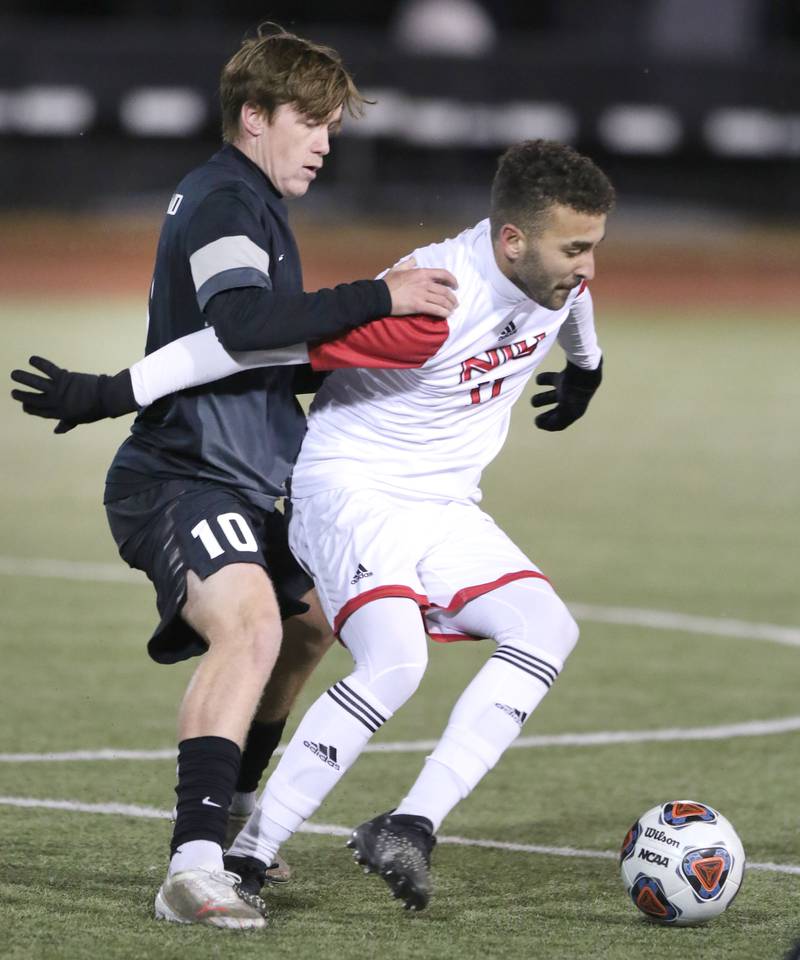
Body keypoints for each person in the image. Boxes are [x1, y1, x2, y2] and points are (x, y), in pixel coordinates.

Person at [13, 138, 613, 912]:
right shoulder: (433, 307)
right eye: (576, 248)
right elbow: (235, 344)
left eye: (594, 246)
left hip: (441, 503)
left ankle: (410, 826)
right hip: (353, 491)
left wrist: (588, 368)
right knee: (393, 662)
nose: (588, 266)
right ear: (511, 240)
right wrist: (109, 391)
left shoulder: (551, 273)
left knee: (546, 629)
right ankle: (251, 854)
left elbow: (572, 302)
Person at [10, 24, 457, 930]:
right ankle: (194, 864)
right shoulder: (221, 200)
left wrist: (364, 356)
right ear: (254, 117)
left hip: (251, 478)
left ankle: (241, 805)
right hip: (182, 474)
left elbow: (254, 354)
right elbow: (244, 324)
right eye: (312, 121)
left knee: (312, 625)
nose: (328, 142)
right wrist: (379, 297)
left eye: (334, 124)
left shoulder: (253, 202)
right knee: (250, 627)